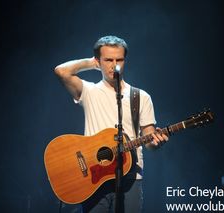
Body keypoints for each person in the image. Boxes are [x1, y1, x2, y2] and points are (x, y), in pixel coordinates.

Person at [54, 35, 169, 213]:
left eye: (119, 60)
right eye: (108, 59)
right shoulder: (89, 91)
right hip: (94, 178)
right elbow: (61, 71)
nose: (114, 64)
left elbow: (148, 141)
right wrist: (91, 63)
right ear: (99, 61)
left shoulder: (141, 97)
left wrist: (156, 143)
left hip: (130, 179)